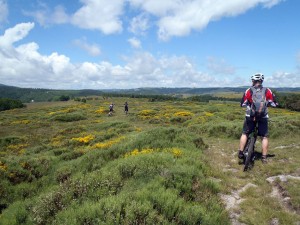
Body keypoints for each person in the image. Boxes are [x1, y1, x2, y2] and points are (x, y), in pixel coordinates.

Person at [238, 73, 278, 163]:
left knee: (245, 133)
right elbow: (274, 103)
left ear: (253, 81)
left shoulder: (248, 90)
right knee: (264, 136)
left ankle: (240, 152)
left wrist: (250, 104)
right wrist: (266, 104)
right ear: (261, 81)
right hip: (263, 116)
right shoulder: (267, 91)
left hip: (250, 115)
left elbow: (242, 104)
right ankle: (264, 158)